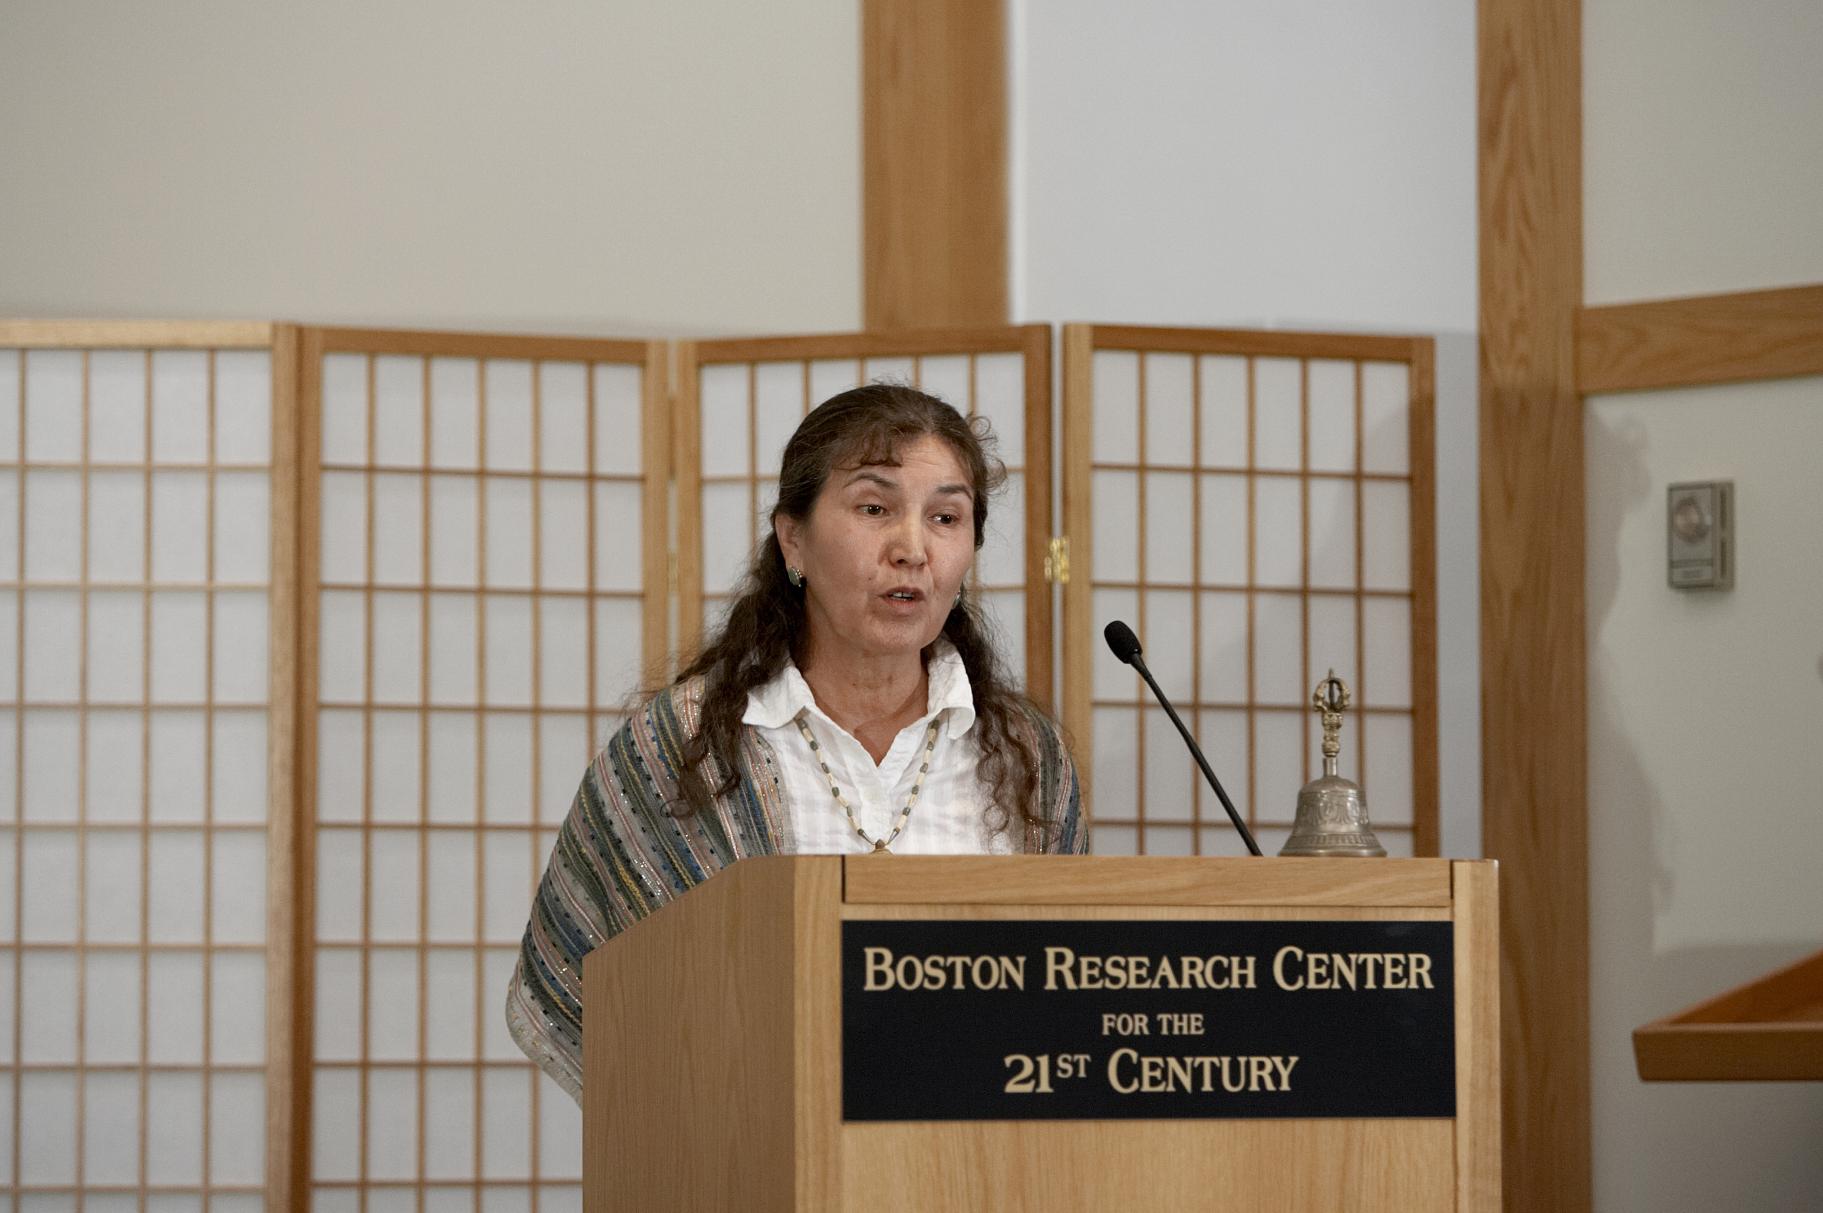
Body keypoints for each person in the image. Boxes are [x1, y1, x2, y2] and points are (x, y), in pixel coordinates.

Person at [505, 383, 1087, 1100]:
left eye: (945, 516)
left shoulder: (1024, 757)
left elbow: (1065, 1005)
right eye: (874, 509)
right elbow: (596, 994)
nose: (911, 548)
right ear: (793, 539)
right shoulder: (681, 748)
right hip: (746, 1162)